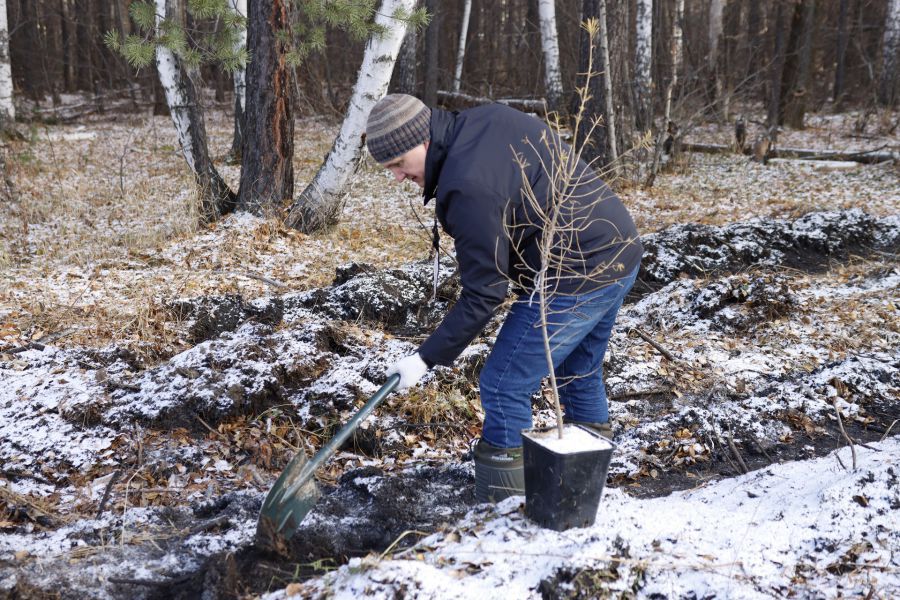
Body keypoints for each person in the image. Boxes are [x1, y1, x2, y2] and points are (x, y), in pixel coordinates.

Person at [366, 94, 643, 503]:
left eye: (398, 163)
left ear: (423, 140)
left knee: (503, 383)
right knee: (578, 374)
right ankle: (582, 499)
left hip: (576, 270)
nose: (397, 177)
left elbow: (485, 292)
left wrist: (425, 358)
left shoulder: (467, 185)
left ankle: (504, 507)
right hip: (618, 248)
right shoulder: (481, 122)